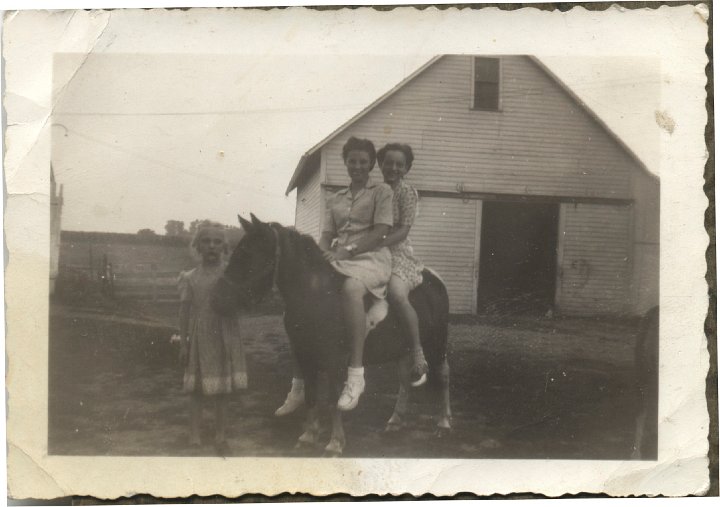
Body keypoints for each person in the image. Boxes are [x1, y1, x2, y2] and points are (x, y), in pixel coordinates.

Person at [275, 136, 393, 414]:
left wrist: (347, 252)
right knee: (303, 298)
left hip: (371, 258)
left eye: (363, 161)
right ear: (346, 162)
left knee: (352, 289)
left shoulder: (381, 192)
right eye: (352, 161)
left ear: (371, 164)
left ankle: (355, 374)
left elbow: (380, 232)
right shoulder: (335, 197)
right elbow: (327, 236)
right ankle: (299, 385)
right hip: (340, 257)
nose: (358, 166)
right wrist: (321, 256)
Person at [178, 221, 248, 453]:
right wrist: (184, 343)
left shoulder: (231, 275)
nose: (211, 246)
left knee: (222, 389)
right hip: (200, 337)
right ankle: (194, 433)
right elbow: (184, 311)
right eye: (206, 241)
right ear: (198, 246)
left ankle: (220, 433)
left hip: (225, 335)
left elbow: (242, 304)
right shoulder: (190, 277)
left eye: (217, 242)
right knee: (196, 390)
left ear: (224, 247)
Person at [377, 143, 428, 386]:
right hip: (371, 248)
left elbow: (403, 231)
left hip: (396, 252)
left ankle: (417, 351)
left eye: (399, 164)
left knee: (397, 293)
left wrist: (378, 242)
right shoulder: (375, 190)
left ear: (406, 168)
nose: (393, 168)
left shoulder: (407, 192)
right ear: (380, 164)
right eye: (389, 162)